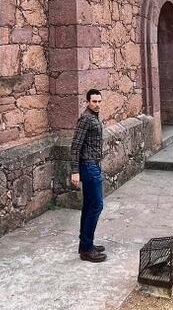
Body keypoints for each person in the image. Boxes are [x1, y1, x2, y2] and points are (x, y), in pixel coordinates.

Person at [69, 89, 106, 263]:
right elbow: (75, 146)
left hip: (93, 166)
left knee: (89, 206)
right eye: (94, 101)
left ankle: (85, 244)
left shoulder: (94, 117)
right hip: (88, 167)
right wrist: (75, 171)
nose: (97, 104)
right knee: (96, 206)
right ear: (87, 102)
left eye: (99, 101)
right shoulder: (86, 119)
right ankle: (86, 249)